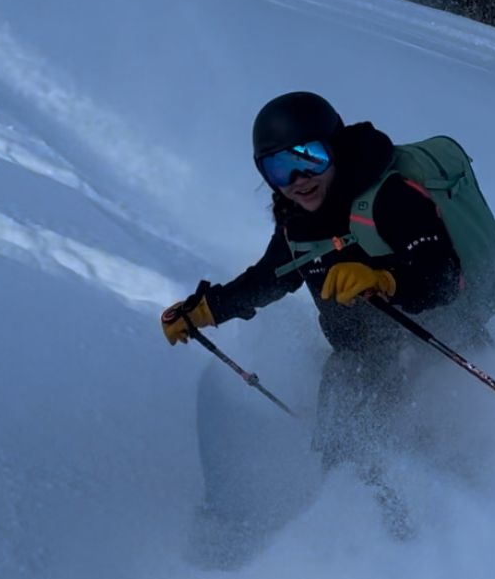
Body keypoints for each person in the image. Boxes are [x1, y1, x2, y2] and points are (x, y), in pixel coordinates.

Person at [161, 90, 474, 545]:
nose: (296, 179)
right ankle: (352, 543)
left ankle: (426, 543)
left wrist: (383, 279)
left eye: (308, 157)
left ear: (336, 149)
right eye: (278, 168)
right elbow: (271, 277)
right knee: (341, 448)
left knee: (412, 450)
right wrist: (207, 311)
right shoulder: (297, 223)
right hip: (359, 358)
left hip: (433, 348)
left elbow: (443, 277)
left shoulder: (389, 197)